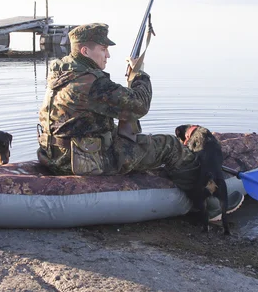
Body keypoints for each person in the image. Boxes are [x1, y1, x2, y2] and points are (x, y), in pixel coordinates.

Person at [37, 23, 200, 192]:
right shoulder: (91, 83)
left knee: (125, 133)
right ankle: (208, 203)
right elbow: (140, 105)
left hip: (54, 156)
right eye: (103, 49)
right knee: (170, 145)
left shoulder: (60, 73)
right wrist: (139, 75)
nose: (108, 55)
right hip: (83, 162)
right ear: (85, 51)